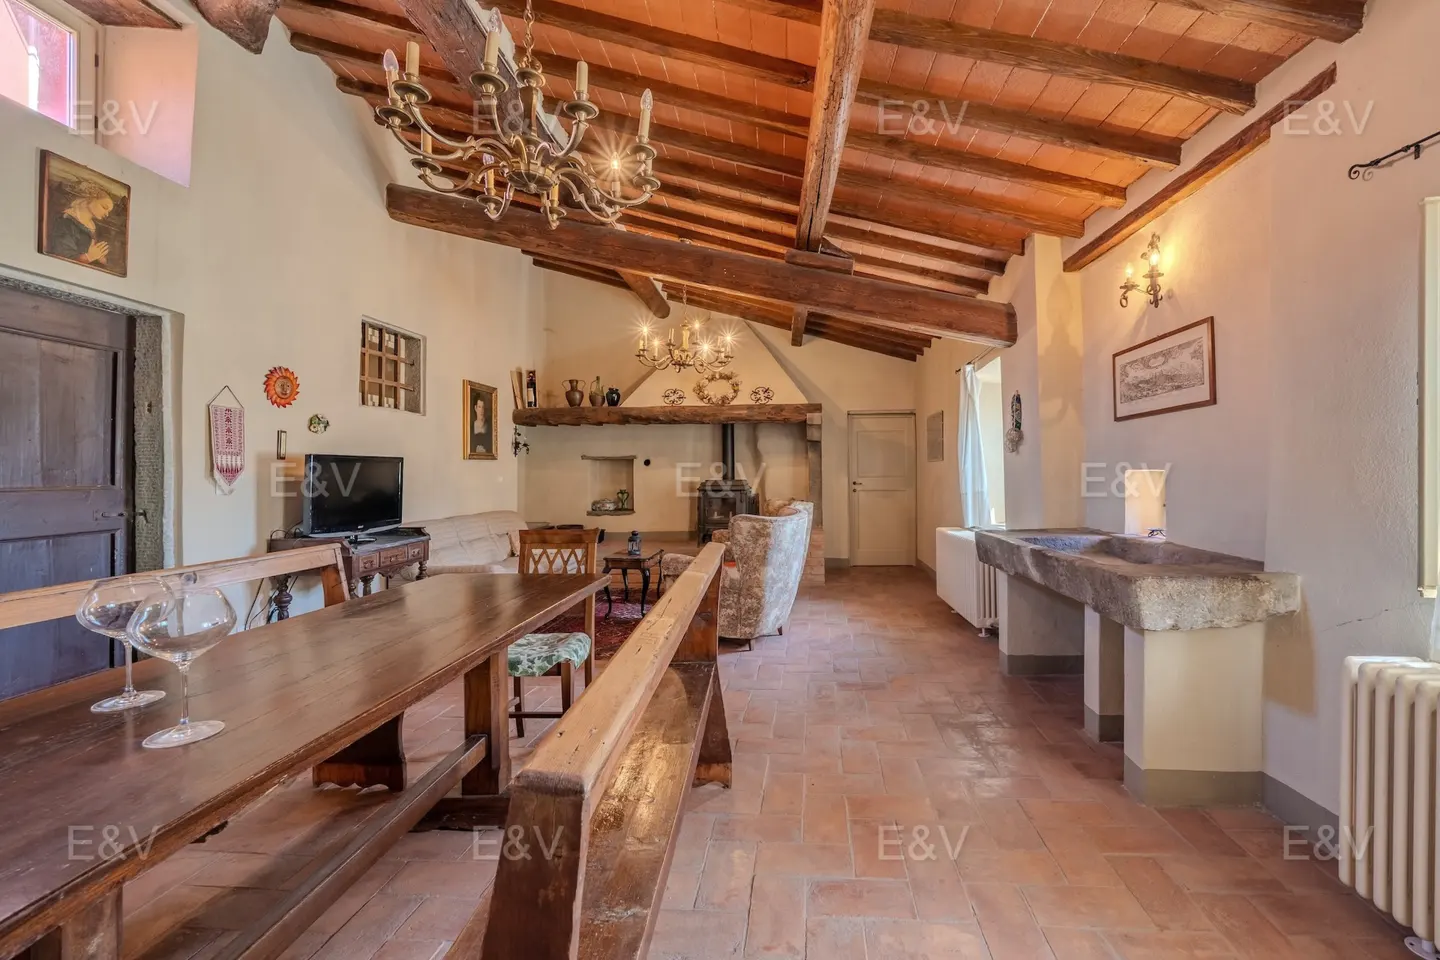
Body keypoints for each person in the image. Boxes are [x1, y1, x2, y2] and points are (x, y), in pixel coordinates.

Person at [48, 179, 115, 267]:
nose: (107, 214)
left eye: (108, 211)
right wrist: (89, 257)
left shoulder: (95, 226)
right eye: (104, 207)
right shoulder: (65, 221)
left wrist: (101, 259)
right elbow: (62, 258)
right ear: (89, 199)